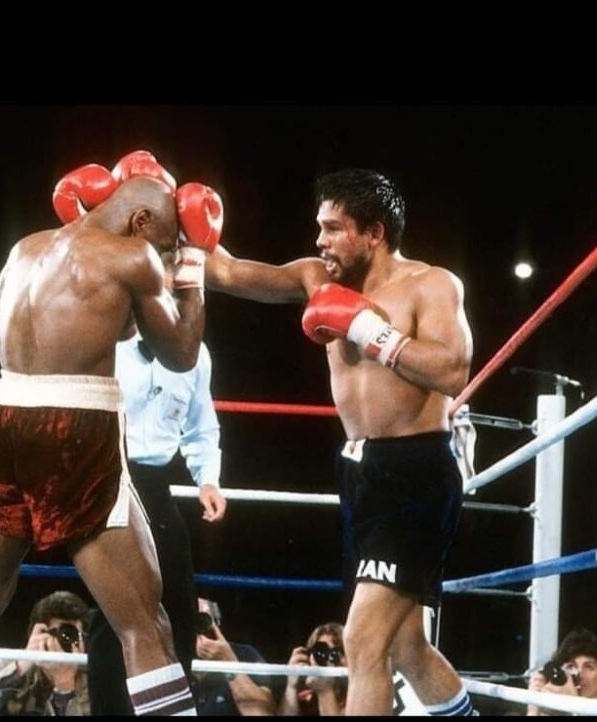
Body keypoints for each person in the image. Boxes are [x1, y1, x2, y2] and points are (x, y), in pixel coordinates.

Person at [0, 151, 223, 717]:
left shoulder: (25, 250)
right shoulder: (133, 256)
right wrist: (192, 266)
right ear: (142, 222)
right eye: (167, 240)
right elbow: (182, 354)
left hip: (3, 421)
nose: (166, 254)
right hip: (76, 430)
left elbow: (87, 322)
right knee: (146, 625)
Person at [206, 168, 474, 715]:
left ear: (373, 233)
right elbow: (226, 272)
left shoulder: (431, 284)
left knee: (362, 641)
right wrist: (180, 221)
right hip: (359, 472)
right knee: (406, 646)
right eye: (319, 228)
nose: (320, 241)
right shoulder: (315, 280)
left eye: (333, 229)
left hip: (415, 472)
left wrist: (370, 333)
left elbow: (451, 371)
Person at [87, 275, 227, 715]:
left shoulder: (193, 356)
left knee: (179, 607)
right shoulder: (105, 346)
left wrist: (208, 479)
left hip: (156, 486)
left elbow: (202, 424)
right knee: (117, 609)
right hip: (107, 480)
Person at [0, 591, 91, 716]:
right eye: (60, 633)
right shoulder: (12, 663)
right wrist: (21, 666)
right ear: (40, 633)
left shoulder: (95, 675)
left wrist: (65, 684)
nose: (65, 640)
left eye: (72, 634)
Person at [190, 598, 277, 716]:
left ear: (217, 624)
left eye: (203, 620)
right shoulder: (173, 656)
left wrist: (228, 660)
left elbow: (261, 713)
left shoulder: (244, 654)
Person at [527, 628, 597, 715]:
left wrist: (571, 705)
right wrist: (534, 707)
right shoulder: (554, 708)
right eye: (571, 666)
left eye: (589, 667)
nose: (579, 674)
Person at [277, 622, 347, 716]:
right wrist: (291, 687)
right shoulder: (307, 698)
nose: (331, 659)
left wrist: (325, 692)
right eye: (323, 652)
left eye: (338, 651)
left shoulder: (361, 695)